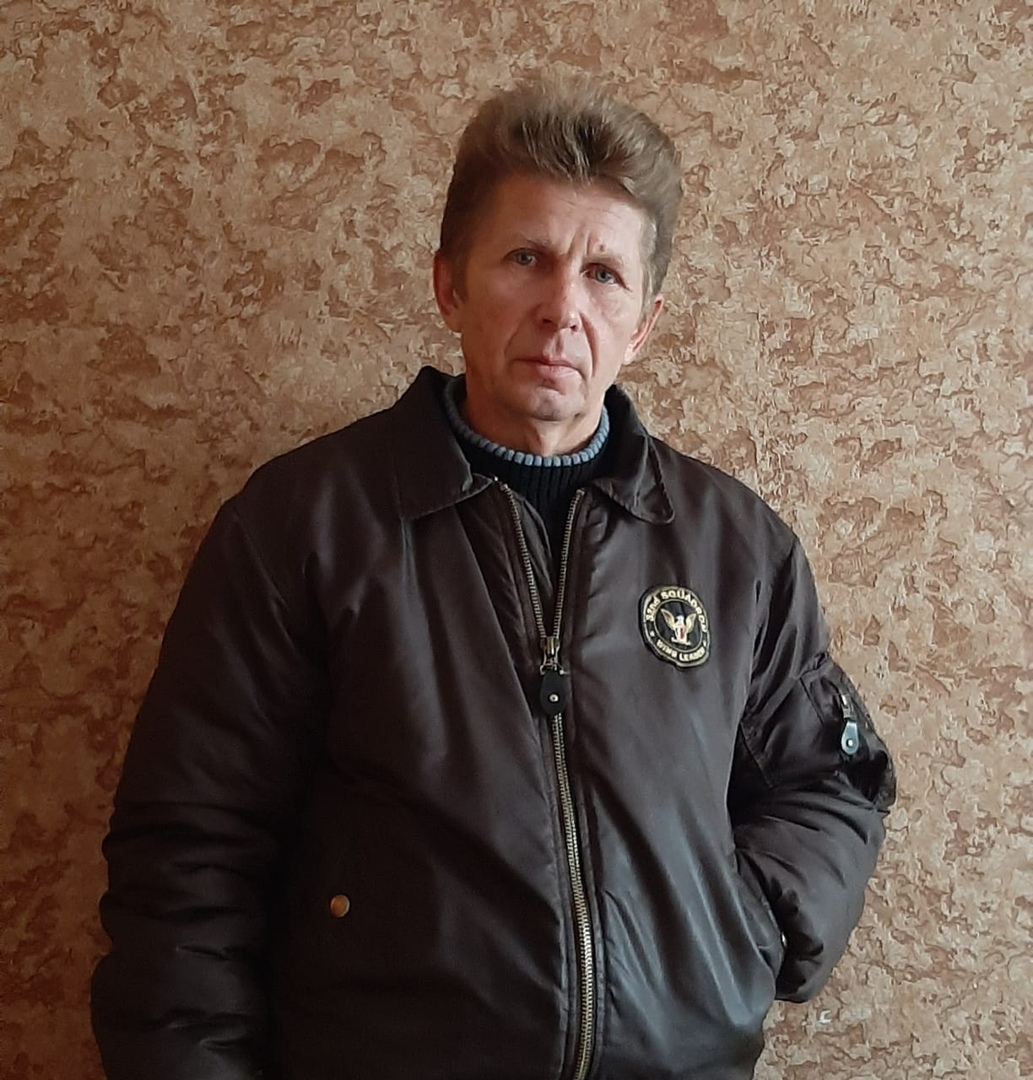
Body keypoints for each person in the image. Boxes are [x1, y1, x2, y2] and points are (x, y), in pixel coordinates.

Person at [92, 78, 896, 1080]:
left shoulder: (736, 549)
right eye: (526, 258)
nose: (563, 308)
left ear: (643, 322)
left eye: (603, 274)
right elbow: (189, 852)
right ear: (450, 287)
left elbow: (831, 777)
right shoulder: (304, 524)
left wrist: (741, 931)